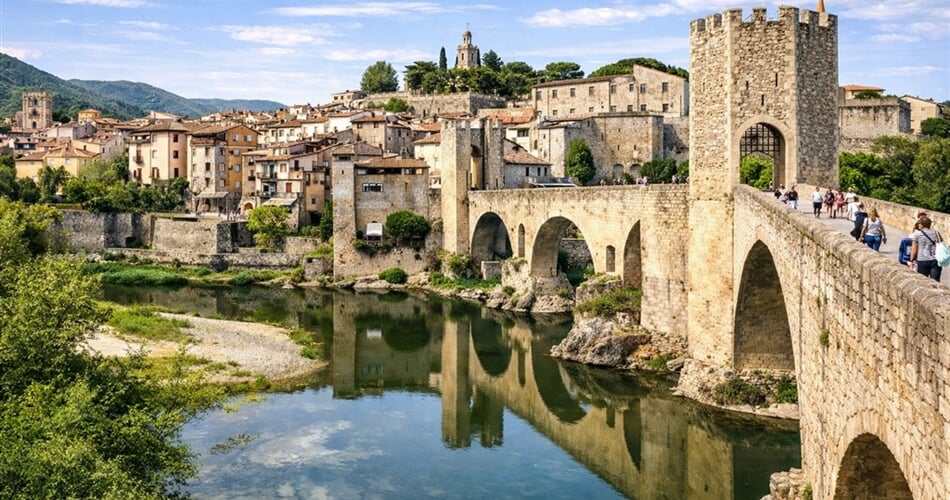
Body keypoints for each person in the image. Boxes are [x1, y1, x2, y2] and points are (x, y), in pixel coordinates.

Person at [908, 216, 943, 282]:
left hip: (922, 260)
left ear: (921, 225)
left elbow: (914, 248)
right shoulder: (936, 233)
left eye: (919, 223)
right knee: (936, 281)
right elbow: (941, 243)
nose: (918, 225)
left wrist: (911, 260)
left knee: (923, 281)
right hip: (935, 259)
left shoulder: (917, 234)